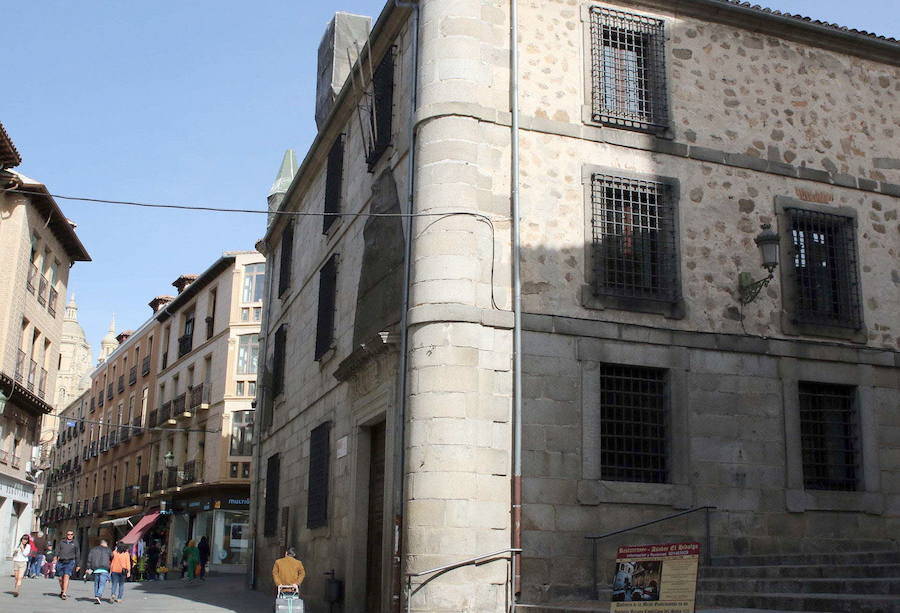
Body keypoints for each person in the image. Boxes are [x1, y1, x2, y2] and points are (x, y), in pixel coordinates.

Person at [54, 529, 81, 600]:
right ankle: (62, 590)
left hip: (70, 561)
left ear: (73, 535)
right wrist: (55, 557)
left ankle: (64, 593)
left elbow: (78, 554)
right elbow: (57, 550)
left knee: (66, 576)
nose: (70, 536)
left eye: (71, 534)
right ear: (66, 535)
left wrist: (78, 564)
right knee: (60, 578)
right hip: (61, 561)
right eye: (68, 534)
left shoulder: (75, 543)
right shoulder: (61, 542)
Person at [86, 539, 112, 605]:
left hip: (96, 569)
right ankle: (98, 595)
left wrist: (88, 568)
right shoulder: (108, 550)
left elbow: (89, 559)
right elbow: (112, 557)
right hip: (104, 569)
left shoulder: (93, 549)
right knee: (102, 584)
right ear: (105, 544)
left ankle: (96, 596)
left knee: (96, 583)